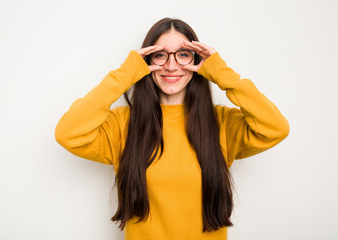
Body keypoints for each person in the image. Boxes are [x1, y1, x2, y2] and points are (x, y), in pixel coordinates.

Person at [55, 17, 290, 240]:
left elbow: (275, 128)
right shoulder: (123, 124)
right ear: (146, 62)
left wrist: (222, 73)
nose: (171, 66)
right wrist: (125, 75)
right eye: (160, 55)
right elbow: (68, 133)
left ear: (197, 61)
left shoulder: (222, 123)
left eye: (183, 55)